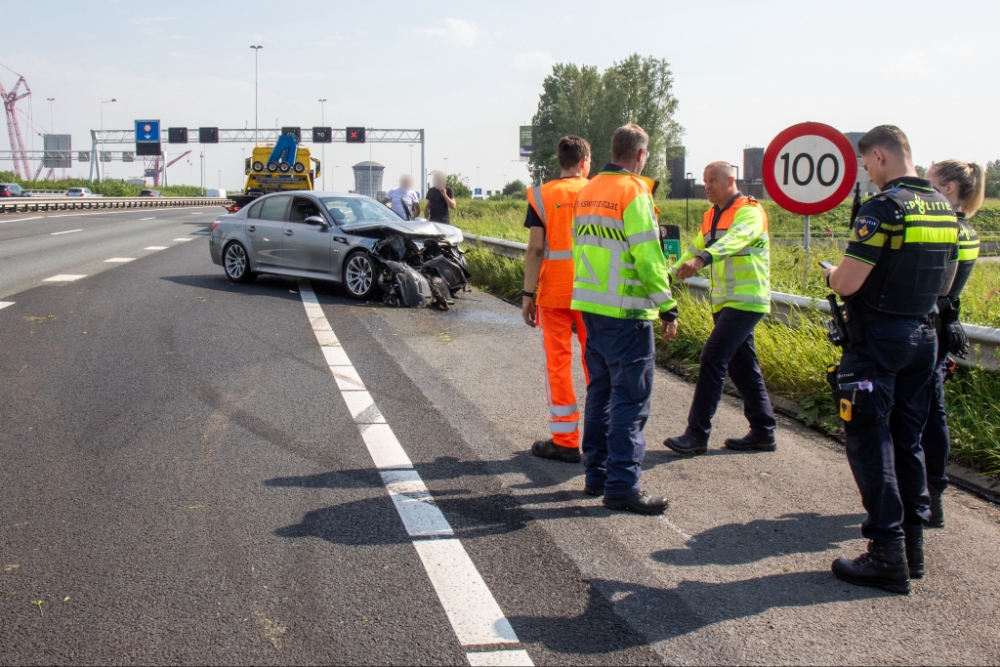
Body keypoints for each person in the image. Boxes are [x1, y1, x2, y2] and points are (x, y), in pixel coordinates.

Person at [823, 125, 958, 594]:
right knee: (908, 439)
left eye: (865, 164)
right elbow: (945, 285)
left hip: (878, 341)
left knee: (869, 441)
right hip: (924, 337)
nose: (867, 174)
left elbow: (847, 283)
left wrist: (832, 274)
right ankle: (912, 549)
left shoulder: (884, 208)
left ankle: (885, 553)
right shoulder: (944, 209)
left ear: (879, 156)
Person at [571, 123, 679, 515]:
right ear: (639, 155)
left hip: (590, 308)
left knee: (599, 394)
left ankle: (595, 475)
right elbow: (648, 257)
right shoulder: (634, 191)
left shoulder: (588, 190)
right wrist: (667, 305)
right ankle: (622, 485)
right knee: (630, 402)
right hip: (627, 311)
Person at [664, 162, 776, 456]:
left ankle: (697, 434)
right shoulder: (711, 216)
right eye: (704, 181)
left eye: (712, 180)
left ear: (731, 180)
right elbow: (692, 248)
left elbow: (734, 240)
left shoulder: (749, 212)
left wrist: (701, 260)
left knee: (712, 357)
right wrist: (669, 273)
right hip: (725, 302)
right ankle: (763, 432)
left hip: (746, 300)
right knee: (742, 367)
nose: (707, 186)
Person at [522, 136, 592, 463]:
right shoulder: (597, 192)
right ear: (585, 161)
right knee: (597, 362)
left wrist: (527, 294)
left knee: (558, 364)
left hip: (553, 292)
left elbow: (536, 248)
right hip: (595, 291)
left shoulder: (542, 195)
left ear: (560, 161)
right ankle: (602, 436)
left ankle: (565, 439)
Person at [921, 160, 983, 528]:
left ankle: (930, 497)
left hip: (930, 326)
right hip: (945, 323)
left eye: (929, 184)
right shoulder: (968, 230)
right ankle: (929, 493)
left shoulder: (947, 230)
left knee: (927, 413)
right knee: (931, 411)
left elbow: (936, 289)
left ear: (947, 188)